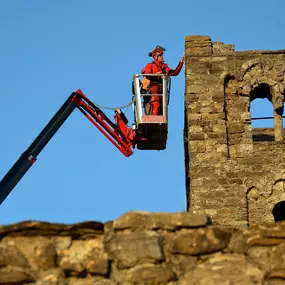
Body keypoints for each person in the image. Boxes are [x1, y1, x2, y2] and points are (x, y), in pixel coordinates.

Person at [141, 45, 184, 115]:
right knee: (156, 103)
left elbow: (175, 72)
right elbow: (146, 74)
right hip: (153, 88)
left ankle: (158, 121)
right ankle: (154, 120)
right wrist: (156, 74)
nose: (162, 57)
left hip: (162, 90)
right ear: (155, 57)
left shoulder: (164, 67)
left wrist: (181, 62)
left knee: (162, 108)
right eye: (160, 55)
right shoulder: (150, 65)